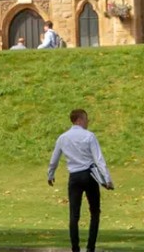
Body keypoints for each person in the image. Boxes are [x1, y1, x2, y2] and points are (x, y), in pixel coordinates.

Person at [47, 108, 111, 252]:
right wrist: (107, 179)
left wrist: (50, 174)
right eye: (86, 119)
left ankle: (75, 247)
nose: (88, 122)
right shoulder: (89, 136)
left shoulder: (63, 137)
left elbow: (54, 159)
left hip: (74, 176)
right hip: (89, 175)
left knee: (74, 214)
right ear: (80, 120)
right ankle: (90, 247)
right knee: (95, 211)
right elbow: (99, 159)